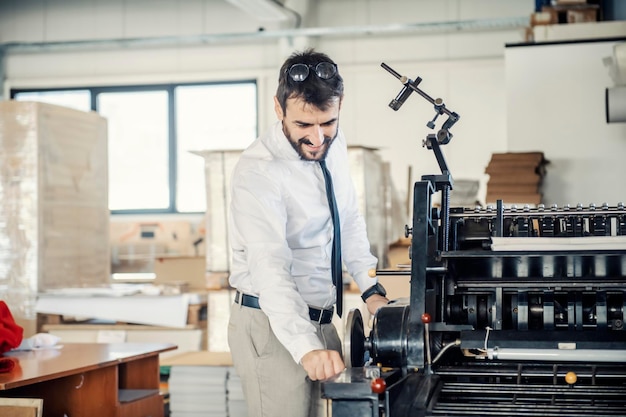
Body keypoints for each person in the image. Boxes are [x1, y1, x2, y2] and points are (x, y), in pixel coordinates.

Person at [227, 48, 390, 417]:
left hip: (322, 320)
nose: (317, 138)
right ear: (278, 108)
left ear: (339, 105)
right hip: (270, 323)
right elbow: (269, 268)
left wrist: (371, 290)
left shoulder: (334, 143)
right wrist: (305, 346)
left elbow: (346, 217)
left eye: (327, 123)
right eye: (303, 126)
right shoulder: (259, 172)